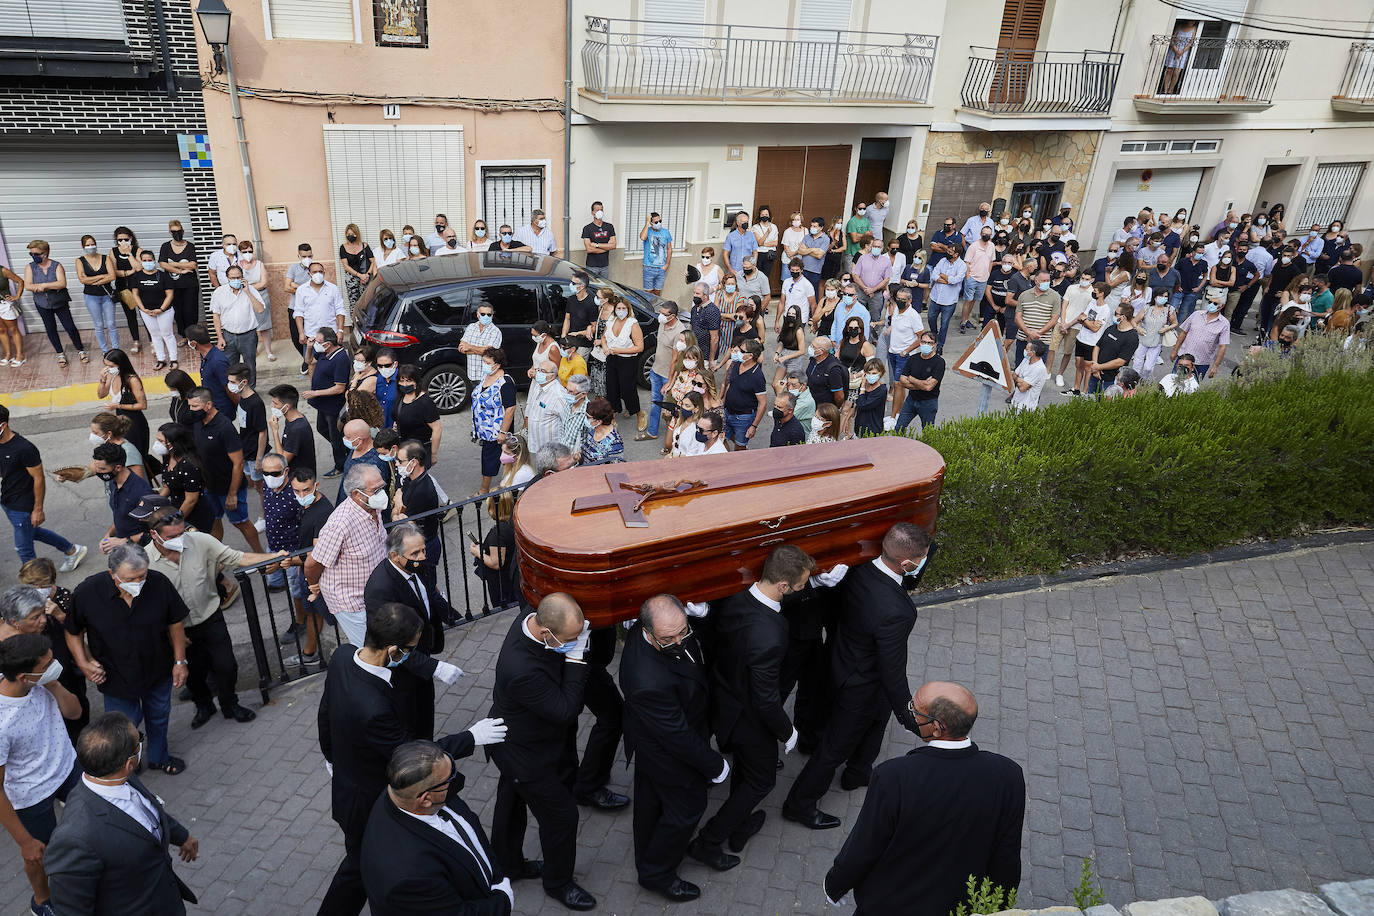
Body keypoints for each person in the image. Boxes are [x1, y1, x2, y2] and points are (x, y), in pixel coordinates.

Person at [317, 602, 504, 916]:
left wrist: (332, 758)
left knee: (358, 867)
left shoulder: (341, 657)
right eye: (409, 650)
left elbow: (325, 715)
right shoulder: (373, 708)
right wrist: (470, 737)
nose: (410, 655)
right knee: (358, 869)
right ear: (392, 650)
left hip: (350, 786)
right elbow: (411, 754)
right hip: (368, 801)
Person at [824, 682, 1026, 916]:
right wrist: (996, 907)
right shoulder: (1008, 774)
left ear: (938, 728)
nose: (909, 712)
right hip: (963, 907)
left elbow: (866, 843)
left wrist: (835, 884)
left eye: (914, 710)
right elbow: (1007, 853)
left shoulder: (894, 776)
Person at [785, 523, 932, 828]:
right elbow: (893, 672)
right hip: (861, 683)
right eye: (922, 558)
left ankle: (858, 773)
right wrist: (911, 718)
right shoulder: (898, 610)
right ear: (907, 563)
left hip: (841, 661)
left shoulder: (858, 569)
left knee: (878, 718)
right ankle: (800, 803)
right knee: (833, 749)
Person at [691, 546, 815, 869]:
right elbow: (765, 698)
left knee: (747, 772)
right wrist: (788, 732)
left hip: (725, 697)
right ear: (784, 586)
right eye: (801, 585)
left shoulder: (734, 598)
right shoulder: (771, 634)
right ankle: (709, 841)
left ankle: (739, 823)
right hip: (747, 717)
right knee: (762, 781)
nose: (804, 589)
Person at [487, 593, 597, 911]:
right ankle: (558, 882)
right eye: (570, 639)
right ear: (546, 632)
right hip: (523, 753)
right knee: (562, 816)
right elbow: (565, 710)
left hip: (518, 735)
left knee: (510, 802)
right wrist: (576, 659)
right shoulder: (521, 669)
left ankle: (508, 864)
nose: (576, 642)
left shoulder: (534, 615)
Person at [619, 595, 726, 902]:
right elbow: (677, 735)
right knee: (687, 807)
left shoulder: (666, 634)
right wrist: (715, 765)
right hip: (666, 748)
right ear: (647, 631)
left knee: (651, 798)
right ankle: (656, 873)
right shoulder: (646, 679)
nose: (679, 642)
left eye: (683, 632)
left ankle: (646, 850)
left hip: (659, 737)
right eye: (669, 638)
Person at [43, 713, 199, 915]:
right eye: (139, 741)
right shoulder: (74, 839)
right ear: (129, 763)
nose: (141, 743)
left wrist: (182, 836)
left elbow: (150, 809)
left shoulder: (118, 776)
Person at [144, 510, 275, 728]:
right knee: (194, 674)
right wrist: (169, 634)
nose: (179, 540)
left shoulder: (200, 541)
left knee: (226, 666)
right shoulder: (145, 561)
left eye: (181, 533)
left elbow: (237, 557)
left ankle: (229, 703)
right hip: (179, 631)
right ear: (154, 535)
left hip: (210, 617)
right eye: (171, 537)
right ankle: (204, 706)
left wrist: (273, 558)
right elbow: (148, 606)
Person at [66, 544, 190, 775]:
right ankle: (127, 764)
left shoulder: (158, 583)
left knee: (159, 716)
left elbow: (176, 622)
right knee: (123, 726)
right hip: (115, 676)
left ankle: (158, 757)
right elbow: (73, 631)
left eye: (142, 576)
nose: (138, 582)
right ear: (113, 574)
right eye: (131, 578)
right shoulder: (87, 592)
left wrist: (180, 661)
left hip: (157, 668)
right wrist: (83, 663)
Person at [360, 740, 514, 915]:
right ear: (425, 799)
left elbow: (471, 830)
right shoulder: (410, 878)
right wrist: (504, 899)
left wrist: (495, 874)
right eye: (450, 778)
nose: (455, 778)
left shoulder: (405, 790)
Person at [0, 631, 83, 916]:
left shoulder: (43, 683)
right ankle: (42, 901)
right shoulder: (1, 722)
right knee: (39, 855)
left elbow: (74, 712)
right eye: (46, 665)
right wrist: (24, 841)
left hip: (67, 769)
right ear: (23, 677)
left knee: (92, 821)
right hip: (31, 794)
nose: (54, 665)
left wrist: (54, 685)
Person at [363, 523, 461, 739]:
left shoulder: (415, 566)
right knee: (409, 723)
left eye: (423, 549)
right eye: (415, 553)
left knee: (425, 714)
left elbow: (427, 596)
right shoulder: (381, 588)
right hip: (401, 674)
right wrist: (434, 667)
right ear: (395, 555)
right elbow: (389, 644)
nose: (422, 556)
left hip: (421, 656)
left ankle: (429, 753)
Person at [305, 464, 388, 648]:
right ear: (357, 494)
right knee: (371, 650)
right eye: (376, 490)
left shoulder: (373, 507)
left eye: (382, 487)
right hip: (353, 602)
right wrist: (314, 585)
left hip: (375, 595)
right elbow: (312, 563)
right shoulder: (340, 524)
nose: (382, 493)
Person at [0, 405, 87, 569]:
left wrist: (37, 509)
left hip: (22, 505)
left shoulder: (24, 448)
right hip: (7, 500)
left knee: (24, 550)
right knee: (32, 532)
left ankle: (38, 587)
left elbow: (38, 478)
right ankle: (72, 550)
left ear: (3, 425)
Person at [186, 386, 261, 551]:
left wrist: (232, 494)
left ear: (208, 405)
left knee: (241, 523)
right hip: (210, 487)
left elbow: (238, 463)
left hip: (229, 488)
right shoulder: (198, 422)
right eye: (190, 406)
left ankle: (261, 557)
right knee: (214, 520)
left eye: (195, 406)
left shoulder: (224, 427)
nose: (191, 410)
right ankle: (216, 556)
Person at [24, 240, 88, 368]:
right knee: (50, 328)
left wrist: (43, 285)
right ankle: (60, 353)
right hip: (41, 303)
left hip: (59, 302)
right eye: (31, 254)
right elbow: (27, 285)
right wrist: (51, 286)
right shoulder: (30, 267)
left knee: (70, 327)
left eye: (36, 253)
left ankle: (80, 350)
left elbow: (62, 283)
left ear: (45, 253)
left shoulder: (57, 266)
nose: (34, 256)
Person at [303, 328, 352, 477]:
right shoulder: (325, 353)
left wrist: (315, 393)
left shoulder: (340, 359)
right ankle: (347, 451)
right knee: (322, 428)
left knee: (335, 435)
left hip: (333, 406)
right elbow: (308, 361)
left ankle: (341, 465)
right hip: (322, 404)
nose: (315, 343)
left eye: (318, 341)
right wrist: (310, 347)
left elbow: (339, 388)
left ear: (328, 344)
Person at [208, 265, 265, 384]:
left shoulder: (251, 290)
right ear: (227, 278)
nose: (235, 280)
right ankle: (233, 391)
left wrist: (248, 292)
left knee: (249, 366)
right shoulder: (219, 292)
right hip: (228, 335)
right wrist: (219, 337)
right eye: (232, 278)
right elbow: (216, 316)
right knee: (230, 366)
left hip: (248, 336)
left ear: (243, 277)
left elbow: (260, 309)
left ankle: (250, 390)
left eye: (238, 277)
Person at [472, 347, 518, 494]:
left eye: (487, 362)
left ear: (497, 365)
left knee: (492, 458)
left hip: (496, 429)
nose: (483, 364)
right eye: (483, 361)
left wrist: (503, 432)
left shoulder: (505, 382)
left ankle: (484, 490)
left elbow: (510, 408)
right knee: (503, 457)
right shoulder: (486, 376)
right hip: (484, 428)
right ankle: (509, 483)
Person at [91, 442, 153, 548]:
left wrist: (124, 541)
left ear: (118, 468)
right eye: (97, 468)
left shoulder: (141, 492)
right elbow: (120, 517)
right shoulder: (113, 482)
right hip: (123, 547)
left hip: (140, 552)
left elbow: (154, 533)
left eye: (102, 469)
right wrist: (108, 536)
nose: (98, 472)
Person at [127, 246, 179, 371]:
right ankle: (161, 359)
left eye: (149, 260)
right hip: (146, 312)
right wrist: (143, 309)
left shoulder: (163, 276)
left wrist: (160, 309)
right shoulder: (137, 276)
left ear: (154, 260)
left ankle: (173, 359)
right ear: (140, 262)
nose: (147, 263)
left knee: (167, 334)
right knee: (155, 335)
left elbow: (170, 294)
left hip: (164, 311)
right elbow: (135, 294)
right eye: (144, 260)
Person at [294, 263, 348, 374]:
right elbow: (299, 313)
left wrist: (340, 331)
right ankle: (315, 388)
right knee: (312, 365)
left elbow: (340, 310)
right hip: (311, 335)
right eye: (314, 272)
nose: (318, 274)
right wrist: (301, 333)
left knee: (334, 365)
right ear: (309, 274)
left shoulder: (333, 288)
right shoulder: (301, 290)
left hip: (331, 336)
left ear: (324, 273)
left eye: (320, 271)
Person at [154, 221, 199, 347]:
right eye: (174, 232)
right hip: (172, 286)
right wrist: (181, 271)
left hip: (190, 285)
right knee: (178, 312)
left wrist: (173, 264)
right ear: (170, 232)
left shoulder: (190, 246)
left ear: (183, 231)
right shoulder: (165, 246)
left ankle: (193, 336)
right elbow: (162, 264)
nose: (177, 234)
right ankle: (184, 336)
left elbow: (193, 264)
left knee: (190, 311)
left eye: (179, 231)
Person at [75, 233, 121, 354]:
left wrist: (93, 279)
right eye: (88, 245)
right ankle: (105, 350)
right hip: (91, 297)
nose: (91, 247)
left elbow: (112, 276)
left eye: (92, 244)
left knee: (111, 323)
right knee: (99, 325)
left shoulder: (105, 258)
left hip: (107, 296)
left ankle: (116, 349)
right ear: (83, 246)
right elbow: (82, 280)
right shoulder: (80, 261)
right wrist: (101, 276)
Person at [601, 293, 643, 422]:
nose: (620, 311)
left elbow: (639, 347)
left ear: (628, 309)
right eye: (618, 308)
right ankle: (613, 413)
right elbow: (603, 337)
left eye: (623, 308)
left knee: (628, 390)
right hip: (611, 359)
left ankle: (638, 412)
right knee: (612, 388)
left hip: (627, 361)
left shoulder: (632, 324)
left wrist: (619, 350)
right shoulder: (611, 321)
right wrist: (605, 348)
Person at [1169, 291, 1230, 380]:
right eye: (1210, 302)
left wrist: (1215, 366)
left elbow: (1222, 346)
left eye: (1215, 303)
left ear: (1221, 306)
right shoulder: (1196, 314)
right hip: (1184, 359)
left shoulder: (1224, 323)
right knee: (1174, 382)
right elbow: (1183, 333)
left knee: (1193, 387)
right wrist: (1175, 351)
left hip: (1202, 362)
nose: (1211, 305)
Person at [719, 339, 768, 450]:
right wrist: (722, 403)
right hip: (727, 411)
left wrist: (754, 426)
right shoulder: (736, 365)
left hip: (743, 418)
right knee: (721, 438)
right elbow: (729, 385)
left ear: (750, 356)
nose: (738, 352)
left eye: (742, 350)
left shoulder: (757, 376)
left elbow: (763, 403)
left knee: (740, 447)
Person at [392, 365, 442, 461]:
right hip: (402, 448)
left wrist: (433, 454)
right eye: (402, 381)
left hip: (419, 450)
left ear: (416, 382)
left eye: (409, 381)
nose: (405, 385)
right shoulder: (401, 397)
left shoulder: (425, 402)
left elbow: (437, 429)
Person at [108, 226, 145, 354]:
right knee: (130, 316)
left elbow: (139, 268)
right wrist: (128, 272)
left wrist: (129, 254)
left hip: (139, 287)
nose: (122, 242)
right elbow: (113, 271)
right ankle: (136, 340)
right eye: (119, 240)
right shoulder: (113, 252)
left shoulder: (137, 250)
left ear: (131, 238)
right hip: (123, 287)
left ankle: (152, 341)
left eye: (125, 239)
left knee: (145, 313)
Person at [336, 419, 390, 507]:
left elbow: (374, 496)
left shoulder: (376, 462)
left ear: (360, 440)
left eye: (348, 437)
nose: (344, 439)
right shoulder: (356, 447)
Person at [268, 384, 318, 475]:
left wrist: (274, 431)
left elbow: (282, 461)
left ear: (287, 407)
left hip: (300, 480)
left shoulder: (297, 429)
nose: (272, 406)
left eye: (275, 403)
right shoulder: (294, 418)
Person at [580, 396, 625, 464]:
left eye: (588, 417)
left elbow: (616, 469)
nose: (585, 419)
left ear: (599, 421)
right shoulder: (591, 429)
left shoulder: (615, 444)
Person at [805, 335, 846, 409]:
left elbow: (839, 396)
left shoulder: (833, 369)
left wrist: (832, 410)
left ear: (821, 351)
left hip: (823, 409)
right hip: (810, 404)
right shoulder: (814, 359)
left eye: (813, 346)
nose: (810, 347)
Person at [638, 211, 674, 294]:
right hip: (649, 267)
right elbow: (643, 237)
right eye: (656, 222)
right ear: (651, 223)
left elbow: (669, 249)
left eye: (660, 221)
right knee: (648, 293)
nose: (659, 223)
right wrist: (647, 222)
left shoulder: (666, 232)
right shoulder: (648, 231)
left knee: (657, 293)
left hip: (661, 268)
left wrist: (667, 264)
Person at [1009, 339, 1049, 411]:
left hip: (1026, 408)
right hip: (1015, 402)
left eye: (1027, 349)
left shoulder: (1039, 368)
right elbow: (1014, 375)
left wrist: (1017, 379)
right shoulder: (1026, 360)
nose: (1024, 350)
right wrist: (1021, 380)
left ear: (1033, 353)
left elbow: (1022, 388)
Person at [579, 201, 617, 277]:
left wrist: (596, 245)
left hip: (605, 266)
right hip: (592, 266)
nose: (600, 212)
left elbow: (613, 246)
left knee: (605, 288)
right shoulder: (587, 228)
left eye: (601, 210)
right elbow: (589, 249)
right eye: (597, 210)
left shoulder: (609, 227)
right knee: (592, 287)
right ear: (593, 212)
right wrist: (607, 247)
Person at [797, 217, 831, 292]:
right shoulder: (807, 237)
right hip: (803, 269)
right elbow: (800, 251)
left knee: (812, 292)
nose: (812, 228)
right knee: (801, 291)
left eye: (815, 226)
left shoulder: (825, 239)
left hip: (815, 271)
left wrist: (806, 249)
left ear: (821, 228)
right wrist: (813, 249)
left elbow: (819, 256)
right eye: (811, 226)